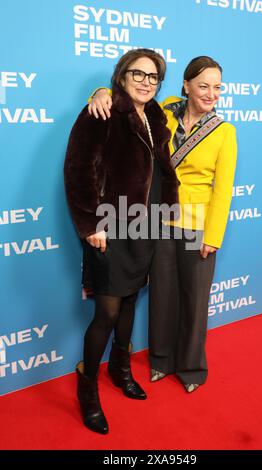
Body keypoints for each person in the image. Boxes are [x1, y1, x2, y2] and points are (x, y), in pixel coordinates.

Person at [88, 56, 237, 393]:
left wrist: (213, 236)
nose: (210, 93)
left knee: (195, 299)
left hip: (197, 227)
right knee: (162, 295)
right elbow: (125, 100)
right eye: (203, 86)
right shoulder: (165, 110)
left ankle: (192, 368)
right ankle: (160, 360)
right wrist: (98, 92)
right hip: (157, 221)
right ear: (185, 86)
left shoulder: (225, 132)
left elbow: (223, 190)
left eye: (217, 87)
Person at [64, 49, 179, 434]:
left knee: (130, 303)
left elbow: (163, 169)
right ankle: (88, 391)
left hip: (144, 228)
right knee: (107, 313)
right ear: (122, 75)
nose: (147, 82)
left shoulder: (158, 116)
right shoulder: (103, 110)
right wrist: (91, 225)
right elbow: (79, 169)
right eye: (139, 74)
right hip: (109, 228)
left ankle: (120, 367)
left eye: (154, 77)